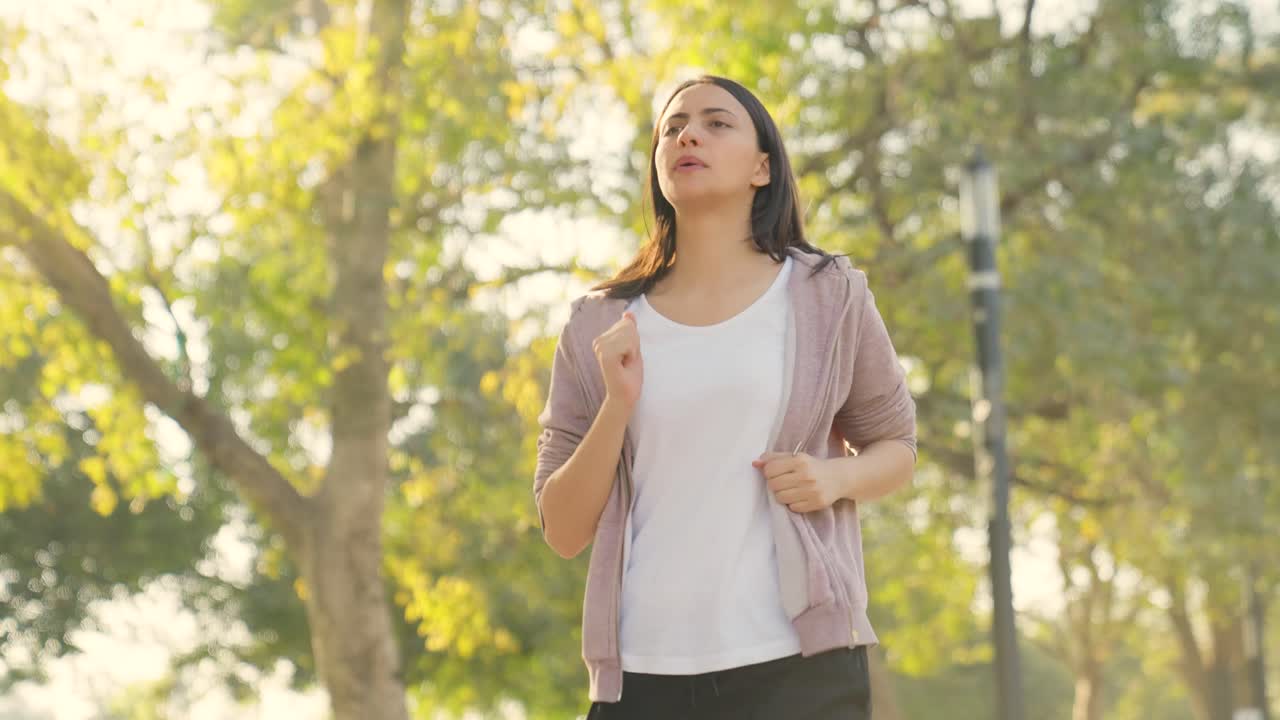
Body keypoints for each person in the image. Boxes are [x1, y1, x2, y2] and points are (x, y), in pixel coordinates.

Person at [533, 75, 917, 720]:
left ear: (762, 167)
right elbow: (564, 529)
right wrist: (616, 404)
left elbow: (898, 448)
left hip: (796, 664)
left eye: (717, 123)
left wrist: (833, 477)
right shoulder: (597, 324)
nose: (689, 134)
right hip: (642, 674)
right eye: (673, 127)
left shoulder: (830, 295)